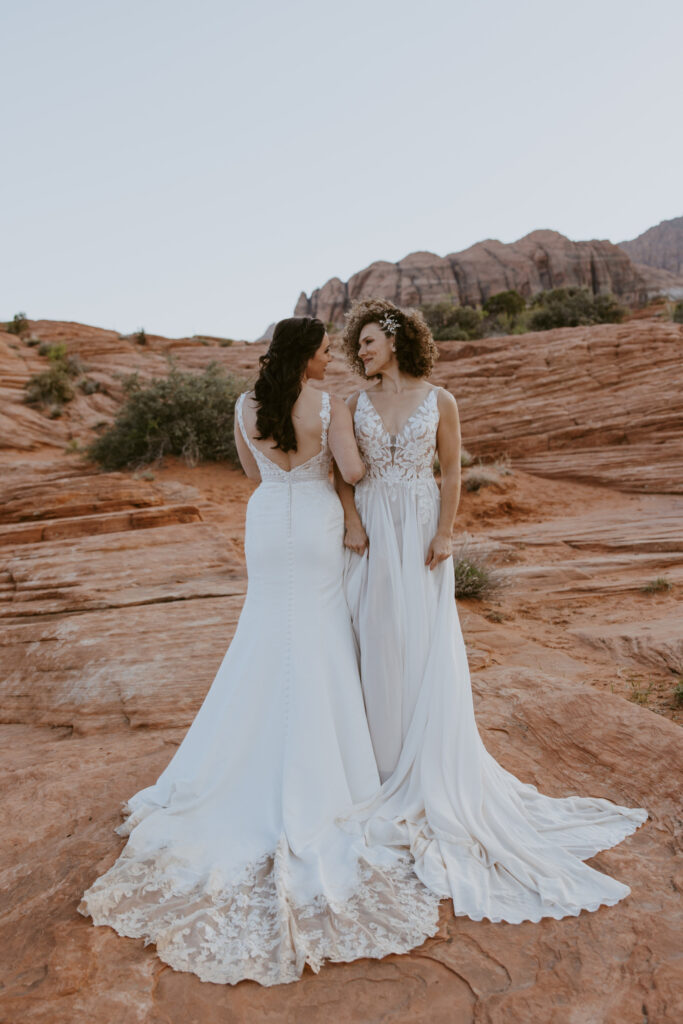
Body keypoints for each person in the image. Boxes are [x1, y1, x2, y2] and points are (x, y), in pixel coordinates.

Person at [79, 316, 439, 986]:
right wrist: (346, 472)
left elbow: (250, 470)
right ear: (305, 356)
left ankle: (241, 755)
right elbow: (354, 470)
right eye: (325, 350)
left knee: (265, 628)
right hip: (316, 522)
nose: (331, 358)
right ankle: (330, 768)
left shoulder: (243, 406)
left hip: (268, 521)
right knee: (321, 635)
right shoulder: (327, 404)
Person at [336, 298, 648, 925]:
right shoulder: (351, 404)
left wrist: (446, 534)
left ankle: (420, 767)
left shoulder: (440, 400)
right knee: (373, 634)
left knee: (420, 640)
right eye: (357, 345)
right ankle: (375, 763)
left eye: (368, 341)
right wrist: (350, 519)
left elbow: (452, 472)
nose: (360, 352)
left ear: (395, 339)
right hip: (373, 523)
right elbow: (342, 475)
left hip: (421, 523)